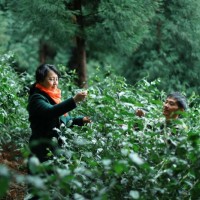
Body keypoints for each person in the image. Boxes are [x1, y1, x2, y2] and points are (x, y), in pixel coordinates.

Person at [27, 64, 91, 163]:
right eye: (51, 79)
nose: (55, 83)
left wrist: (81, 120)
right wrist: (74, 100)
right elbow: (50, 112)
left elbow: (64, 121)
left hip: (55, 149)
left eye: (57, 79)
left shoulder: (54, 97)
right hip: (41, 148)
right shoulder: (37, 98)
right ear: (41, 80)